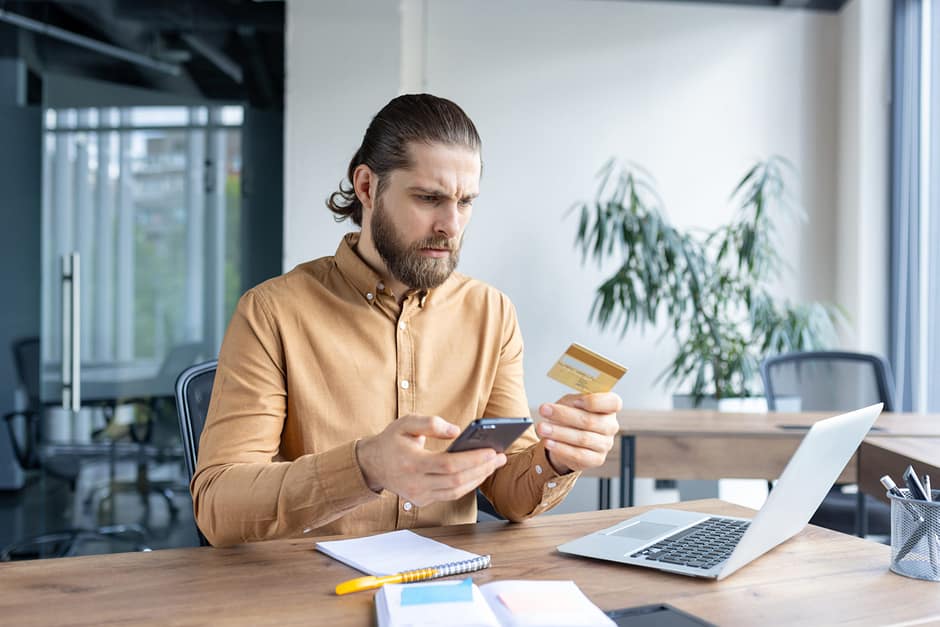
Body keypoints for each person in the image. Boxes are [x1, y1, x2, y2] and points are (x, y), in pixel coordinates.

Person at [191, 94, 623, 547]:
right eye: (429, 198)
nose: (451, 225)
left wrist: (556, 457)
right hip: (313, 595)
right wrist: (365, 466)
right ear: (367, 188)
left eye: (465, 201)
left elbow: (508, 492)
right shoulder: (272, 313)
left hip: (449, 592)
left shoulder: (491, 313)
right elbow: (218, 507)